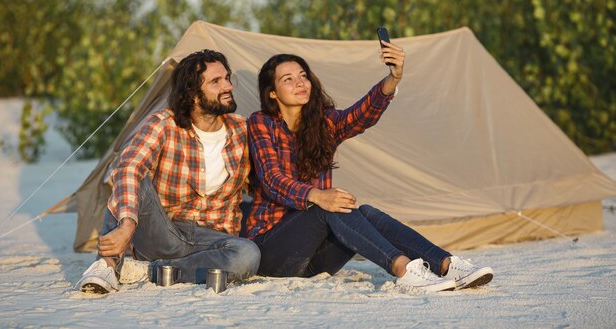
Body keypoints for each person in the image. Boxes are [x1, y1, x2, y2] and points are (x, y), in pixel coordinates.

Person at [245, 42, 493, 292]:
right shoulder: (262, 122)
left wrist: (393, 78)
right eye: (288, 79)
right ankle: (404, 270)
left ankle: (446, 265)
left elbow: (360, 116)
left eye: (303, 76)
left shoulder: (323, 123)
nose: (300, 83)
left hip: (313, 263)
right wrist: (317, 196)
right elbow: (271, 179)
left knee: (365, 212)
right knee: (329, 206)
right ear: (272, 93)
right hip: (273, 254)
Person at [77, 50, 261, 294]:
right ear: (193, 95)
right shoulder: (163, 123)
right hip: (163, 231)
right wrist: (128, 226)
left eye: (227, 78)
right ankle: (107, 265)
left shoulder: (243, 129)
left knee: (247, 255)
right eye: (216, 81)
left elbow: (272, 174)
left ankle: (149, 271)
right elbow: (129, 168)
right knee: (130, 173)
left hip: (211, 240)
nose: (227, 86)